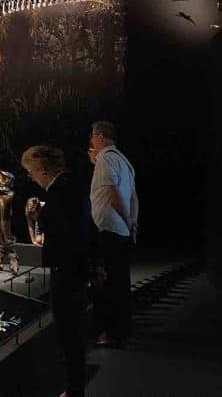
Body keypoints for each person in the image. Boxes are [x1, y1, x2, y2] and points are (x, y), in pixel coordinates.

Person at [22, 144, 92, 397]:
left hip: (67, 270)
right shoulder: (72, 186)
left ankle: (74, 389)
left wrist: (37, 218)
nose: (30, 177)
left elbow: (57, 237)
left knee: (68, 332)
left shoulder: (59, 193)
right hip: (76, 267)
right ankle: (74, 386)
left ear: (42, 169)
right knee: (71, 330)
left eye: (30, 171)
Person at [87, 120, 138, 347]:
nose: (91, 142)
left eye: (92, 137)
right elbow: (133, 198)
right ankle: (122, 329)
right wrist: (132, 224)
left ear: (99, 137)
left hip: (110, 230)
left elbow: (115, 195)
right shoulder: (124, 161)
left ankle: (109, 332)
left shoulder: (106, 159)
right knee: (120, 282)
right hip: (121, 231)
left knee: (107, 283)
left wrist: (126, 221)